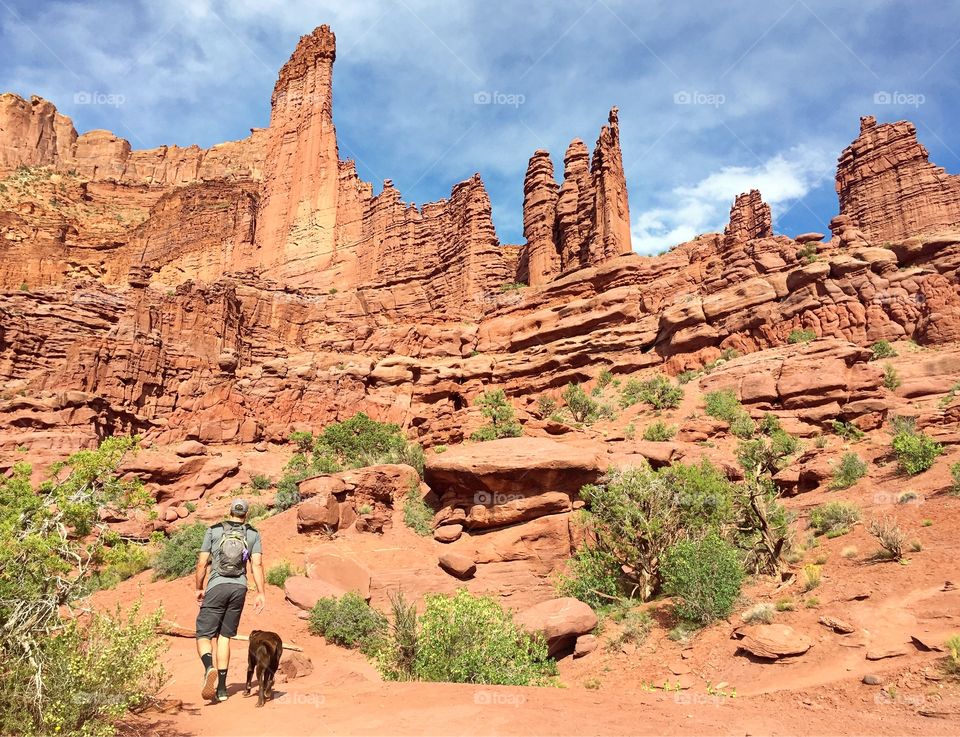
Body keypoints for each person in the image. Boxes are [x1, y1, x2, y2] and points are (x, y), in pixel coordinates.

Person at [194, 499, 265, 703]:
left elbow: (201, 564)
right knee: (225, 637)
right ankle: (223, 689)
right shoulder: (252, 534)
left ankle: (209, 667)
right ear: (246, 514)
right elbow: (257, 565)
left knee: (204, 634)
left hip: (216, 586)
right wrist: (261, 592)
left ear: (230, 511)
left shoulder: (214, 530)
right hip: (239, 588)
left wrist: (199, 588)